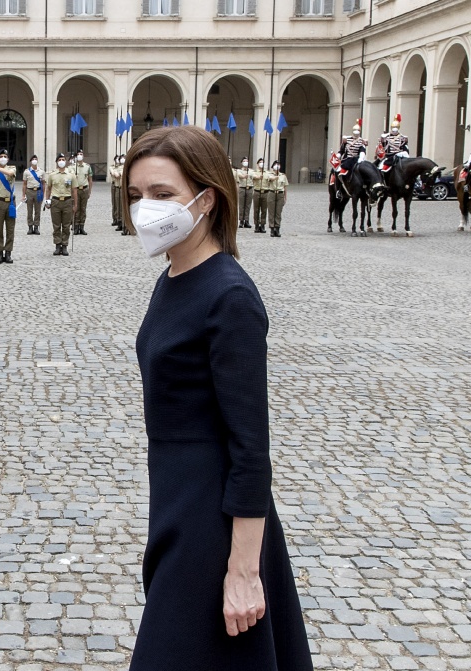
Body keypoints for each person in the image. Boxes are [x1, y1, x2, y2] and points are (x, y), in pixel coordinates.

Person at [124, 125, 311, 670]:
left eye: (162, 195)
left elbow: (251, 447)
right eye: (136, 195)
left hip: (215, 518)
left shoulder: (229, 296)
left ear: (206, 200)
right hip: (176, 500)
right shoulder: (175, 275)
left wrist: (244, 570)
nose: (145, 209)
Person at [44, 152, 77, 256]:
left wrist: (75, 204)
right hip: (55, 201)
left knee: (66, 225)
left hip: (67, 201)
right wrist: (47, 200)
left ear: (65, 161)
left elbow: (74, 190)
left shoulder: (71, 175)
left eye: (63, 159)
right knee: (56, 225)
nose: (61, 161)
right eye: (59, 160)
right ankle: (58, 245)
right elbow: (48, 189)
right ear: (57, 162)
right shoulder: (52, 175)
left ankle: (65, 245)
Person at [70, 148, 93, 234]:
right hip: (76, 190)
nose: (80, 156)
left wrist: (89, 191)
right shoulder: (72, 167)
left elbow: (90, 179)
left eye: (81, 154)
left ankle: (82, 226)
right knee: (76, 208)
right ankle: (75, 226)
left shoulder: (87, 167)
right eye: (78, 154)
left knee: (83, 209)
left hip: (84, 189)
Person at [265, 161, 288, 238]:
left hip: (280, 194)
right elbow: (269, 179)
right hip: (272, 193)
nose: (277, 166)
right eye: (275, 165)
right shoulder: (270, 174)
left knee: (278, 212)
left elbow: (285, 187)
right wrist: (275, 177)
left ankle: (277, 229)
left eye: (278, 165)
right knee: (271, 212)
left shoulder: (283, 176)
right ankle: (272, 228)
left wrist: (285, 197)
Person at [23, 154, 44, 235]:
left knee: (38, 211)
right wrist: (23, 195)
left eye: (36, 159)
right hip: (29, 191)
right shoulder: (27, 172)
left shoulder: (41, 171)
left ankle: (36, 227)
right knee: (29, 210)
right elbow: (24, 184)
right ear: (30, 161)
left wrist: (43, 193)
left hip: (38, 192)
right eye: (33, 159)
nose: (34, 160)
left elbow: (43, 184)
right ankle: (30, 227)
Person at [234, 157, 252, 229]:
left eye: (247, 161)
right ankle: (241, 220)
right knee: (242, 205)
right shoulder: (239, 171)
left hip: (249, 188)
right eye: (244, 161)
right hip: (242, 188)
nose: (245, 162)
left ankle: (246, 220)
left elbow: (255, 177)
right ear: (241, 162)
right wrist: (244, 176)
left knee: (248, 205)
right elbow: (240, 176)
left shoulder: (251, 171)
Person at [250, 158, 266, 233]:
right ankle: (256, 225)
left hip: (265, 192)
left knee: (264, 210)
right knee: (256, 210)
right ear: (257, 164)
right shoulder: (254, 172)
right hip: (257, 191)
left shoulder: (267, 173)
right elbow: (253, 177)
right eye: (260, 162)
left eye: (262, 162)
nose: (261, 164)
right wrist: (259, 177)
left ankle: (262, 225)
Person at [109, 155, 124, 231]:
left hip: (121, 187)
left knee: (121, 206)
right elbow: (115, 174)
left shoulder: (124, 167)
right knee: (115, 204)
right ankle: (116, 219)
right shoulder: (113, 167)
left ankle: (121, 221)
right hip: (115, 185)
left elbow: (119, 174)